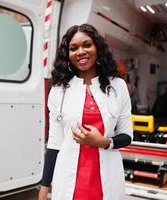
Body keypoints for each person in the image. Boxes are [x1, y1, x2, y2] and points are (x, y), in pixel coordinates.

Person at [38, 24, 133, 200]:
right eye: (73, 48)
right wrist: (44, 188)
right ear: (67, 54)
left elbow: (126, 135)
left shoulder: (117, 86)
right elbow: (54, 144)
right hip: (69, 179)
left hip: (106, 179)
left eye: (87, 45)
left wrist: (103, 141)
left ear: (97, 48)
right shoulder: (59, 90)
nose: (80, 52)